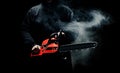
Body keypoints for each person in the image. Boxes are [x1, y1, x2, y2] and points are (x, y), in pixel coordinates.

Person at [20, 0, 74, 71]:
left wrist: (65, 34)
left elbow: (74, 30)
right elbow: (24, 29)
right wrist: (32, 44)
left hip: (61, 57)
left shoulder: (66, 11)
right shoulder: (33, 11)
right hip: (40, 55)